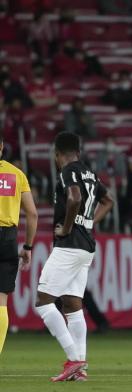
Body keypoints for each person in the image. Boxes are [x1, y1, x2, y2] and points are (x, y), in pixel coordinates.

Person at [35, 132, 114, 382]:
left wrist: (68, 227)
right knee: (72, 306)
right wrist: (88, 222)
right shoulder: (90, 174)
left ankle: (74, 359)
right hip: (86, 247)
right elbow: (108, 200)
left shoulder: (67, 171)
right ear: (78, 152)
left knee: (44, 301)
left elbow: (74, 197)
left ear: (58, 154)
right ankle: (80, 371)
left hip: (69, 245)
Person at [0, 132, 38, 356]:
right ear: (2, 147)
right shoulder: (17, 174)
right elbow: (32, 214)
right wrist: (28, 247)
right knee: (1, 301)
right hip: (8, 238)